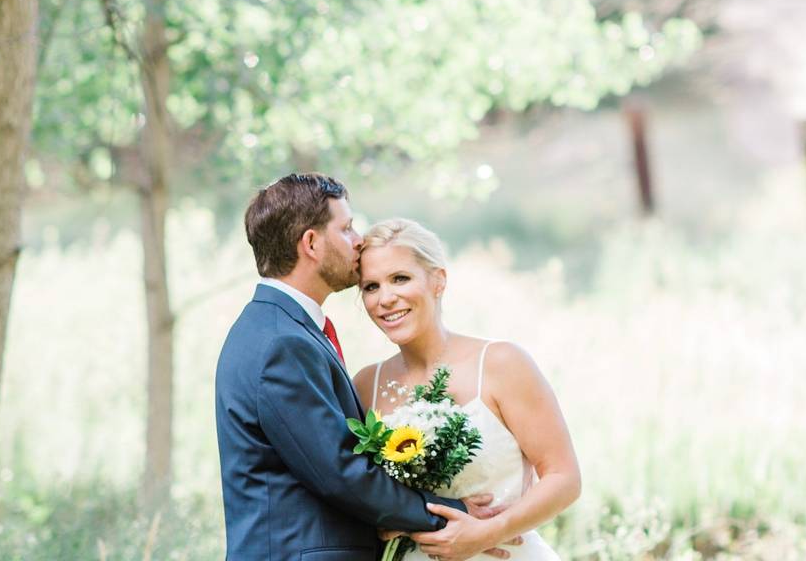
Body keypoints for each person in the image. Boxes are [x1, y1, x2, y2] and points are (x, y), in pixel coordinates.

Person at [215, 174, 510, 560]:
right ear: (311, 243)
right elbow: (338, 472)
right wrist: (452, 514)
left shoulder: (277, 329)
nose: (358, 241)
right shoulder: (282, 343)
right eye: (347, 227)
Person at [354, 218, 582, 561]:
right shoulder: (365, 385)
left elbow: (564, 478)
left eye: (400, 278)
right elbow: (355, 490)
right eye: (370, 286)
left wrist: (487, 532)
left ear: (438, 281)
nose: (385, 298)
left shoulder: (501, 363)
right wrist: (389, 523)